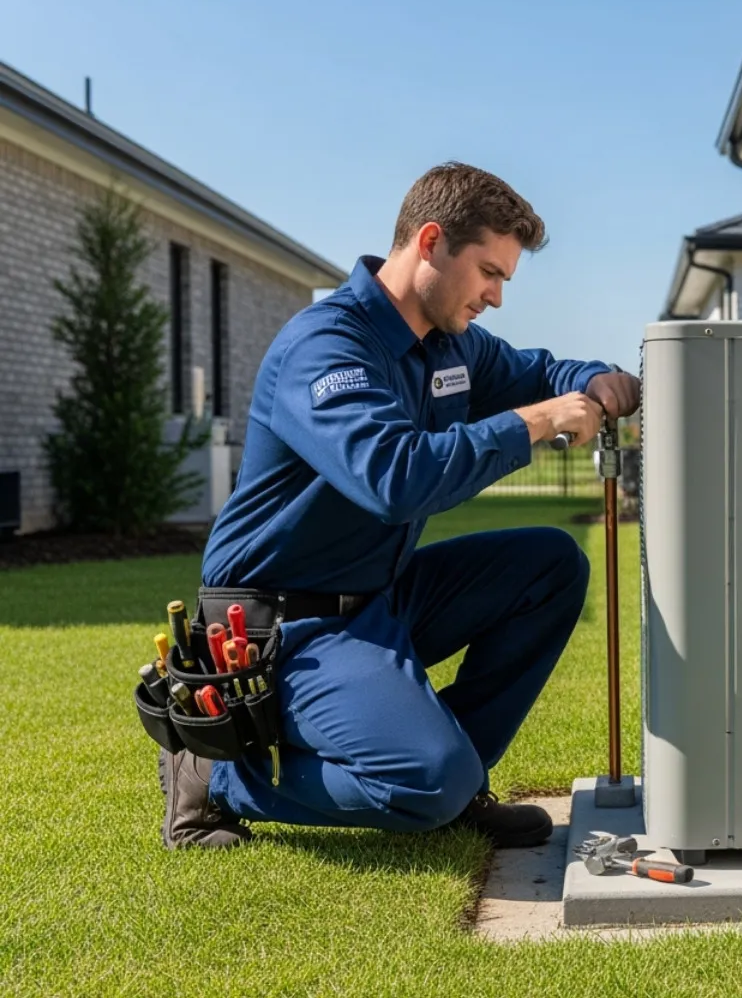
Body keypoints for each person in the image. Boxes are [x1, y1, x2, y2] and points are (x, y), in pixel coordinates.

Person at [159, 162, 640, 851]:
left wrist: (593, 379)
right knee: (426, 782)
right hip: (282, 624)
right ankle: (218, 772)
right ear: (431, 242)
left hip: (377, 597)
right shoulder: (326, 348)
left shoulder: (449, 346)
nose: (496, 296)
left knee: (551, 566)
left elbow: (538, 372)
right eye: (489, 273)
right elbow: (394, 478)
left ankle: (461, 781)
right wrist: (536, 422)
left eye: (505, 278)